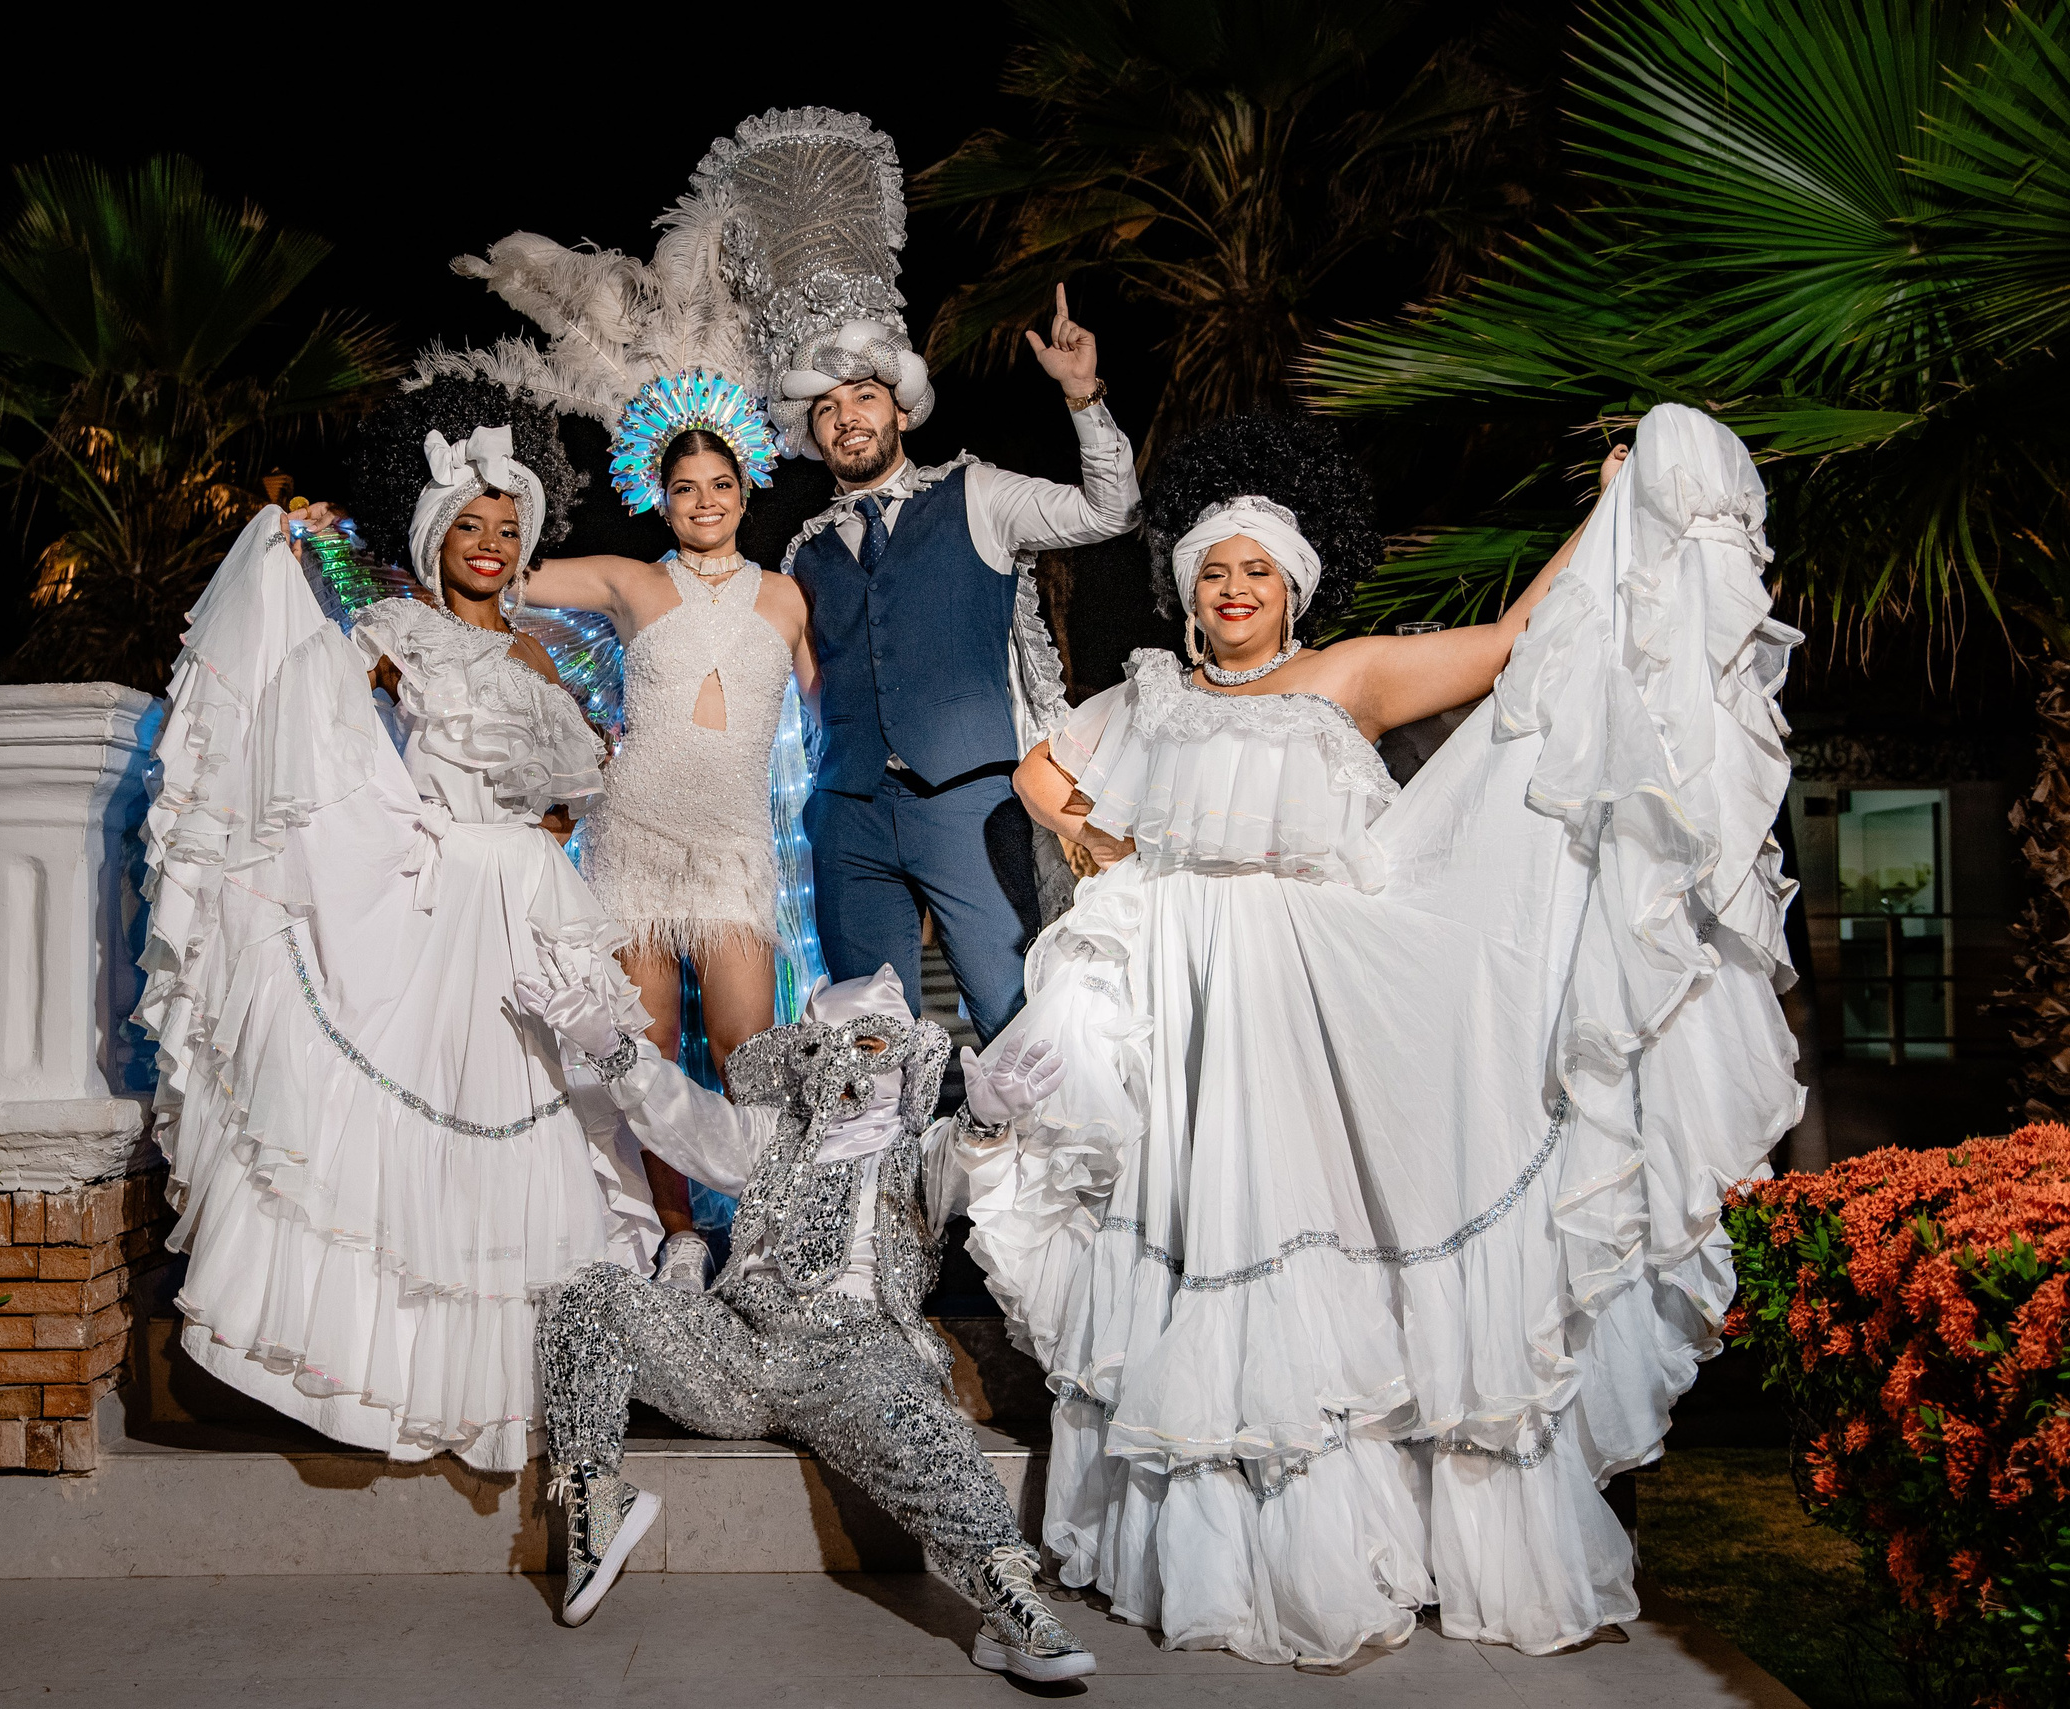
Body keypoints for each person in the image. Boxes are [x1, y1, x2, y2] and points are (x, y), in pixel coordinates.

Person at [969, 406, 1805, 1662]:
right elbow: (1037, 768)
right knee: (1199, 1247)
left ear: (1294, 589)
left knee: (1323, 1250)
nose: (1234, 586)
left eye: (1257, 569)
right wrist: (1094, 835)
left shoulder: (1349, 673)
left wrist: (1610, 508)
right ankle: (1215, 1554)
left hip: (1316, 1004)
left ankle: (1359, 1540)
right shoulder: (1145, 695)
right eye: (1213, 569)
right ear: (1186, 595)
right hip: (1185, 1013)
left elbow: (1522, 642)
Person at [135, 378, 657, 1474]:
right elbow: (310, 651)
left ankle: (516, 1392)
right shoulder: (394, 629)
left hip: (527, 909)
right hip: (438, 904)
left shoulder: (539, 655)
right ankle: (396, 1380)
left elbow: (563, 796)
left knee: (537, 1128)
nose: (489, 544)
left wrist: (537, 820)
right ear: (432, 536)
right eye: (468, 526)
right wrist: (301, 541)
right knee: (424, 1130)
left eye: (507, 530)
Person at [512, 951, 1095, 1683]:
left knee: (925, 1425)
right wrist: (612, 1049)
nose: (846, 1063)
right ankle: (600, 1498)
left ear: (906, 1057)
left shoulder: (917, 1151)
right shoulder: (771, 1137)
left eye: (870, 1044)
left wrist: (983, 1121)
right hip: (738, 1348)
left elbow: (964, 1173)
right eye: (824, 1046)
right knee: (589, 1295)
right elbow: (689, 1120)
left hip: (856, 1360)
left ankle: (1008, 1602)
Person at [687, 105, 1141, 1039]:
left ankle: (1028, 1186)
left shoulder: (976, 493)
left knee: (1016, 1015)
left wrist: (1083, 398)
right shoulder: (804, 551)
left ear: (901, 408)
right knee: (869, 1044)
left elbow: (1109, 511)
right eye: (828, 407)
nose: (848, 417)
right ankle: (883, 1192)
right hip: (849, 818)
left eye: (865, 397)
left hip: (973, 808)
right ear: (809, 431)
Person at [520, 375, 814, 1291]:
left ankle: (762, 1238)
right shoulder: (631, 581)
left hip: (732, 847)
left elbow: (828, 706)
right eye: (683, 487)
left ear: (745, 489)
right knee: (642, 1056)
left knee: (747, 1051)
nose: (703, 502)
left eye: (718, 484)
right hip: (635, 838)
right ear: (660, 495)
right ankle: (678, 1237)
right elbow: (496, 577)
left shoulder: (788, 599)